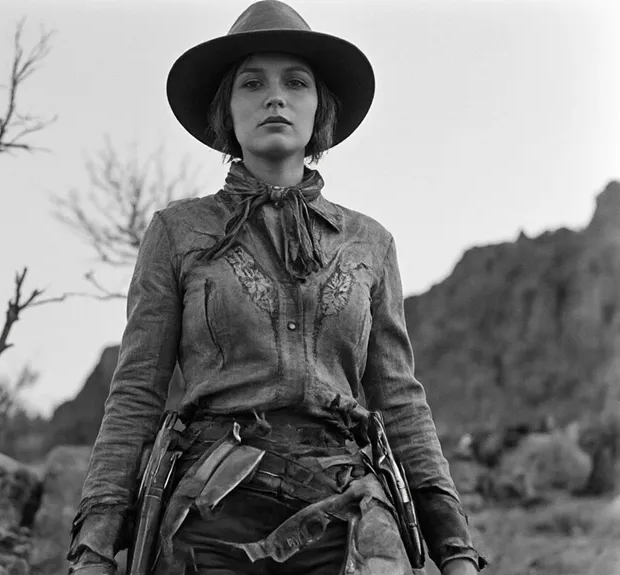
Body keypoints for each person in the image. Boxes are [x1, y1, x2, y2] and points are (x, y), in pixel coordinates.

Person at [67, 1, 487, 574]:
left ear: (320, 108)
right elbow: (137, 394)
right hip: (208, 510)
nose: (275, 97)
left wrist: (454, 549)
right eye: (252, 83)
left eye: (296, 82)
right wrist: (94, 545)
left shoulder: (370, 243)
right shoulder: (177, 232)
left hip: (348, 510)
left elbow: (400, 401)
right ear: (227, 109)